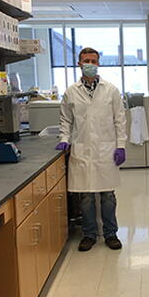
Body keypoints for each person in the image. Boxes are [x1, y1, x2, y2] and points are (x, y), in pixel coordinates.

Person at [56, 47, 128, 252]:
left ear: (98, 64)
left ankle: (111, 234)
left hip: (106, 149)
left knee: (108, 196)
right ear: (79, 63)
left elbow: (120, 120)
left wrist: (121, 146)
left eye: (93, 61)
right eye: (86, 60)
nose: (90, 64)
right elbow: (65, 120)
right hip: (82, 149)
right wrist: (64, 139)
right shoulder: (71, 91)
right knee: (86, 196)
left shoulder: (111, 90)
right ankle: (89, 235)